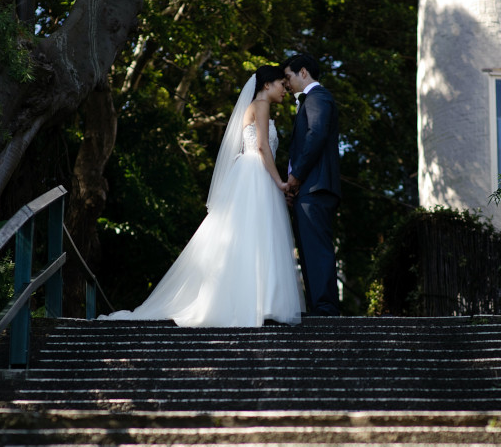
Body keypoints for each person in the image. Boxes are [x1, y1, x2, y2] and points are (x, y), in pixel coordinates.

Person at [99, 65, 304, 327]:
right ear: (266, 85)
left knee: (245, 238)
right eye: (280, 83)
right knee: (257, 235)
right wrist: (280, 183)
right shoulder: (261, 105)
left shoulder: (252, 106)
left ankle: (251, 300)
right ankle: (260, 301)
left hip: (250, 173)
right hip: (257, 173)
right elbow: (262, 146)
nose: (285, 88)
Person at [283, 54, 341, 317]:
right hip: (310, 187)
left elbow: (315, 134)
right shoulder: (312, 100)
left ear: (303, 72)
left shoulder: (318, 97)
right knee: (308, 249)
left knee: (316, 248)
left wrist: (296, 176)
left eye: (288, 77)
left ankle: (326, 308)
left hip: (315, 186)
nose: (286, 83)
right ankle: (319, 306)